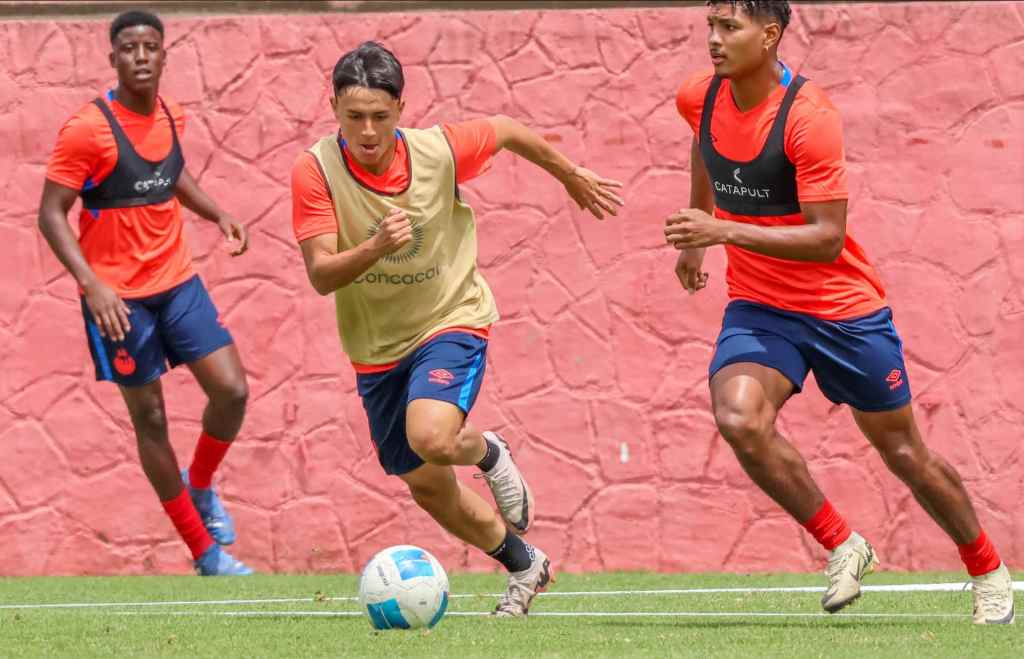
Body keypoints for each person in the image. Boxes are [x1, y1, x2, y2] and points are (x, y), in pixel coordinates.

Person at [666, 0, 1013, 624]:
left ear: (770, 36)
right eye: (710, 26)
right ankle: (844, 544)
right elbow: (706, 147)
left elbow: (826, 238)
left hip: (842, 310)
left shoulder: (810, 117)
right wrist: (698, 233)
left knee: (905, 454)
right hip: (761, 304)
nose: (713, 39)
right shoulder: (700, 96)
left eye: (729, 27)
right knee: (739, 418)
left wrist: (721, 231)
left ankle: (987, 570)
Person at [291, 41, 623, 616]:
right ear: (333, 108)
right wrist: (374, 247)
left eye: (379, 116)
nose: (367, 131)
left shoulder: (438, 151)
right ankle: (525, 565)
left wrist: (568, 174)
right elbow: (321, 274)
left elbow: (506, 130)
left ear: (401, 109)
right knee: (427, 484)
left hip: (451, 317)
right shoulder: (315, 170)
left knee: (433, 437)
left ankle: (489, 452)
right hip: (375, 347)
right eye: (354, 116)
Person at [38, 10, 254, 576]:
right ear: (113, 57)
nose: (140, 56)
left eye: (150, 47)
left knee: (232, 391)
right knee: (152, 418)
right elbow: (51, 213)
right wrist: (93, 285)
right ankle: (205, 552)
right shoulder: (86, 129)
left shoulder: (170, 114)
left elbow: (169, 172)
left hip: (177, 282)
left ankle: (200, 485)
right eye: (129, 48)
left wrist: (217, 213)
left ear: (163, 55)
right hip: (118, 300)